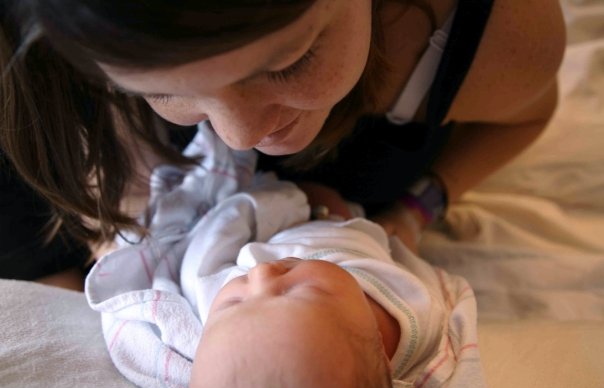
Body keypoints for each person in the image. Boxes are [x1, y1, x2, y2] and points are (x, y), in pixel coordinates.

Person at [0, 1, 565, 284]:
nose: (242, 135)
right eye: (162, 92)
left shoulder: (500, 39)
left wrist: (417, 208)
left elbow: (523, 119)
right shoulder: (30, 44)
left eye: (290, 62)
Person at [85, 126, 485, 388]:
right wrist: (326, 216)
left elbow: (195, 258)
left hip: (261, 203)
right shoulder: (420, 322)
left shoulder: (210, 321)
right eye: (300, 290)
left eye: (234, 303)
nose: (260, 274)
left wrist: (272, 205)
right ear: (382, 350)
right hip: (341, 216)